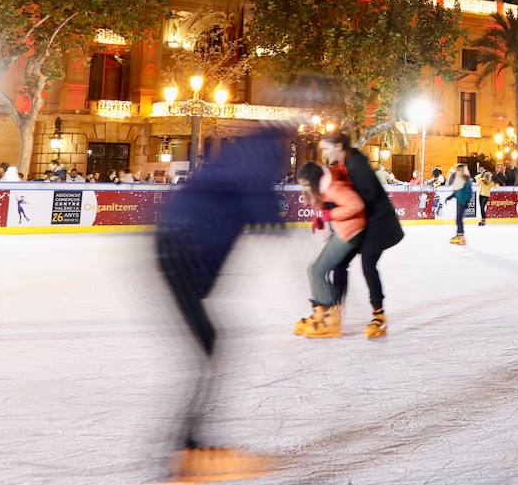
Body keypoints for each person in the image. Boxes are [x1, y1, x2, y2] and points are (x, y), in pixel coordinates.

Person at [154, 125, 286, 481]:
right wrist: (275, 216)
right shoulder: (260, 158)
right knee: (212, 350)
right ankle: (186, 450)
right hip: (185, 252)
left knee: (212, 349)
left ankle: (188, 446)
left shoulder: (233, 158)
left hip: (174, 247)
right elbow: (258, 201)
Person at [318, 131, 404, 340]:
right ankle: (336, 313)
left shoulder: (356, 164)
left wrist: (332, 211)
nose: (323, 152)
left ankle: (379, 315)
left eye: (326, 147)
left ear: (339, 146)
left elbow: (365, 198)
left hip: (379, 224)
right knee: (340, 263)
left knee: (368, 263)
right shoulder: (345, 163)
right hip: (363, 224)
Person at [293, 161, 366, 338]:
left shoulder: (333, 187)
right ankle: (321, 313)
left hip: (350, 231)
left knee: (318, 270)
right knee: (313, 269)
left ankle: (330, 318)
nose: (303, 189)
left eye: (305, 184)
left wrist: (329, 215)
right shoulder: (322, 189)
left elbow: (356, 205)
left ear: (314, 180)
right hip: (342, 230)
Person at [443, 164, 474, 245]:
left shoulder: (466, 179)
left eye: (459, 170)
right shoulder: (458, 179)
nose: (458, 172)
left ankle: (461, 236)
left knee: (459, 219)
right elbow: (456, 192)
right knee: (458, 219)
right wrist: (449, 197)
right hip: (459, 201)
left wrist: (467, 202)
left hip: (463, 202)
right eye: (457, 170)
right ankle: (459, 235)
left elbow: (469, 192)